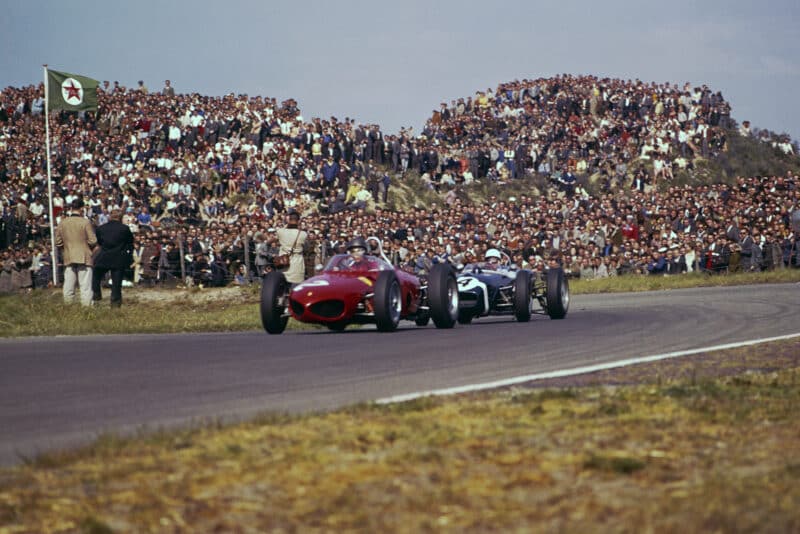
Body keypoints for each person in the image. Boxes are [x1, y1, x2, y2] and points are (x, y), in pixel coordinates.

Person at [55, 198, 98, 306]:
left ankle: (68, 307)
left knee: (68, 286)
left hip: (68, 255)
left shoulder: (63, 222)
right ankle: (87, 309)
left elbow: (58, 242)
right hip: (84, 256)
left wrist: (65, 249)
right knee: (85, 287)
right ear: (82, 208)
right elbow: (93, 241)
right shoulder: (85, 222)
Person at [91, 209, 134, 307]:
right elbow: (130, 243)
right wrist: (128, 256)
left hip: (104, 256)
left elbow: (100, 243)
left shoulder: (101, 228)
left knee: (96, 276)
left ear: (110, 216)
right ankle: (115, 303)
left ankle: (96, 295)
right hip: (119, 257)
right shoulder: (125, 229)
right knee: (116, 283)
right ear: (120, 217)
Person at [276, 211, 307, 285]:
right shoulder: (303, 234)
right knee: (296, 286)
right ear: (299, 221)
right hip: (297, 263)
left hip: (284, 262)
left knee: (283, 285)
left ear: (288, 220)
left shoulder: (280, 232)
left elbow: (270, 241)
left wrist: (287, 224)